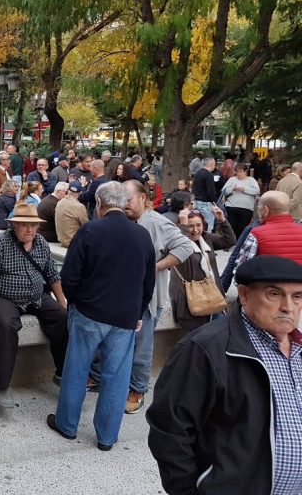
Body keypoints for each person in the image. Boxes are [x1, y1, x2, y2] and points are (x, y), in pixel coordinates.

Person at [148, 256, 302, 495]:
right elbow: (170, 429)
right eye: (274, 294)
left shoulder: (299, 349)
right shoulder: (205, 349)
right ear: (244, 295)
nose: (288, 307)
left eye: (297, 296)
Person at [49, 181, 156, 452]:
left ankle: (67, 425)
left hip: (89, 313)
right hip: (125, 318)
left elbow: (70, 276)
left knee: (77, 369)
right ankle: (107, 437)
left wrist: (72, 302)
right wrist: (138, 312)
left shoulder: (90, 231)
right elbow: (148, 281)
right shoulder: (142, 236)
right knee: (117, 378)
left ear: (99, 203)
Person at [93, 180, 192, 415]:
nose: (124, 203)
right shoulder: (122, 222)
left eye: (128, 198)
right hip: (117, 296)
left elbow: (185, 247)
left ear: (143, 199)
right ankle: (99, 378)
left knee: (141, 346)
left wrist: (154, 267)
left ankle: (137, 390)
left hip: (147, 299)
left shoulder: (157, 223)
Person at [0, 203, 68, 407]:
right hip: (4, 297)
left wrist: (62, 303)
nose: (30, 230)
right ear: (14, 226)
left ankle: (62, 373)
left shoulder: (41, 242)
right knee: (7, 325)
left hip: (35, 296)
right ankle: (3, 386)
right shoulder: (0, 243)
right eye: (25, 225)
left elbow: (52, 275)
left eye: (33, 225)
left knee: (63, 319)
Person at [170, 204, 235, 333]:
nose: (195, 230)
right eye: (190, 226)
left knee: (222, 333)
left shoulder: (205, 238)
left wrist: (222, 220)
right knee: (197, 339)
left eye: (198, 225)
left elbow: (229, 241)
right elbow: (180, 247)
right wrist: (182, 226)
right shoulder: (176, 242)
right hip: (190, 301)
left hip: (212, 297)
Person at [235, 191, 302, 267]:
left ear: (266, 210)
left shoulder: (256, 234)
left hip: (267, 278)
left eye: (259, 208)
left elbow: (242, 268)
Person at [221, 163, 260, 237]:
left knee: (242, 228)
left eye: (241, 171)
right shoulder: (232, 179)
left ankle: (239, 243)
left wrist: (244, 189)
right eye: (237, 171)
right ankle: (230, 243)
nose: (239, 174)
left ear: (245, 172)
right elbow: (224, 191)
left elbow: (257, 191)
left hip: (246, 208)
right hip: (231, 206)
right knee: (231, 227)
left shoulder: (251, 180)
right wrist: (232, 189)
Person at [55, 181, 88, 248]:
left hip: (61, 241)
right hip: (73, 242)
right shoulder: (79, 206)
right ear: (80, 193)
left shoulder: (59, 203)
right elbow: (86, 226)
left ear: (67, 190)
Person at [192, 157, 218, 232]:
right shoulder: (209, 175)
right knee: (208, 225)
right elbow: (211, 191)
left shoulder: (198, 173)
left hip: (197, 200)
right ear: (211, 164)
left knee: (200, 223)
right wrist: (214, 201)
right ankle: (207, 241)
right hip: (206, 202)